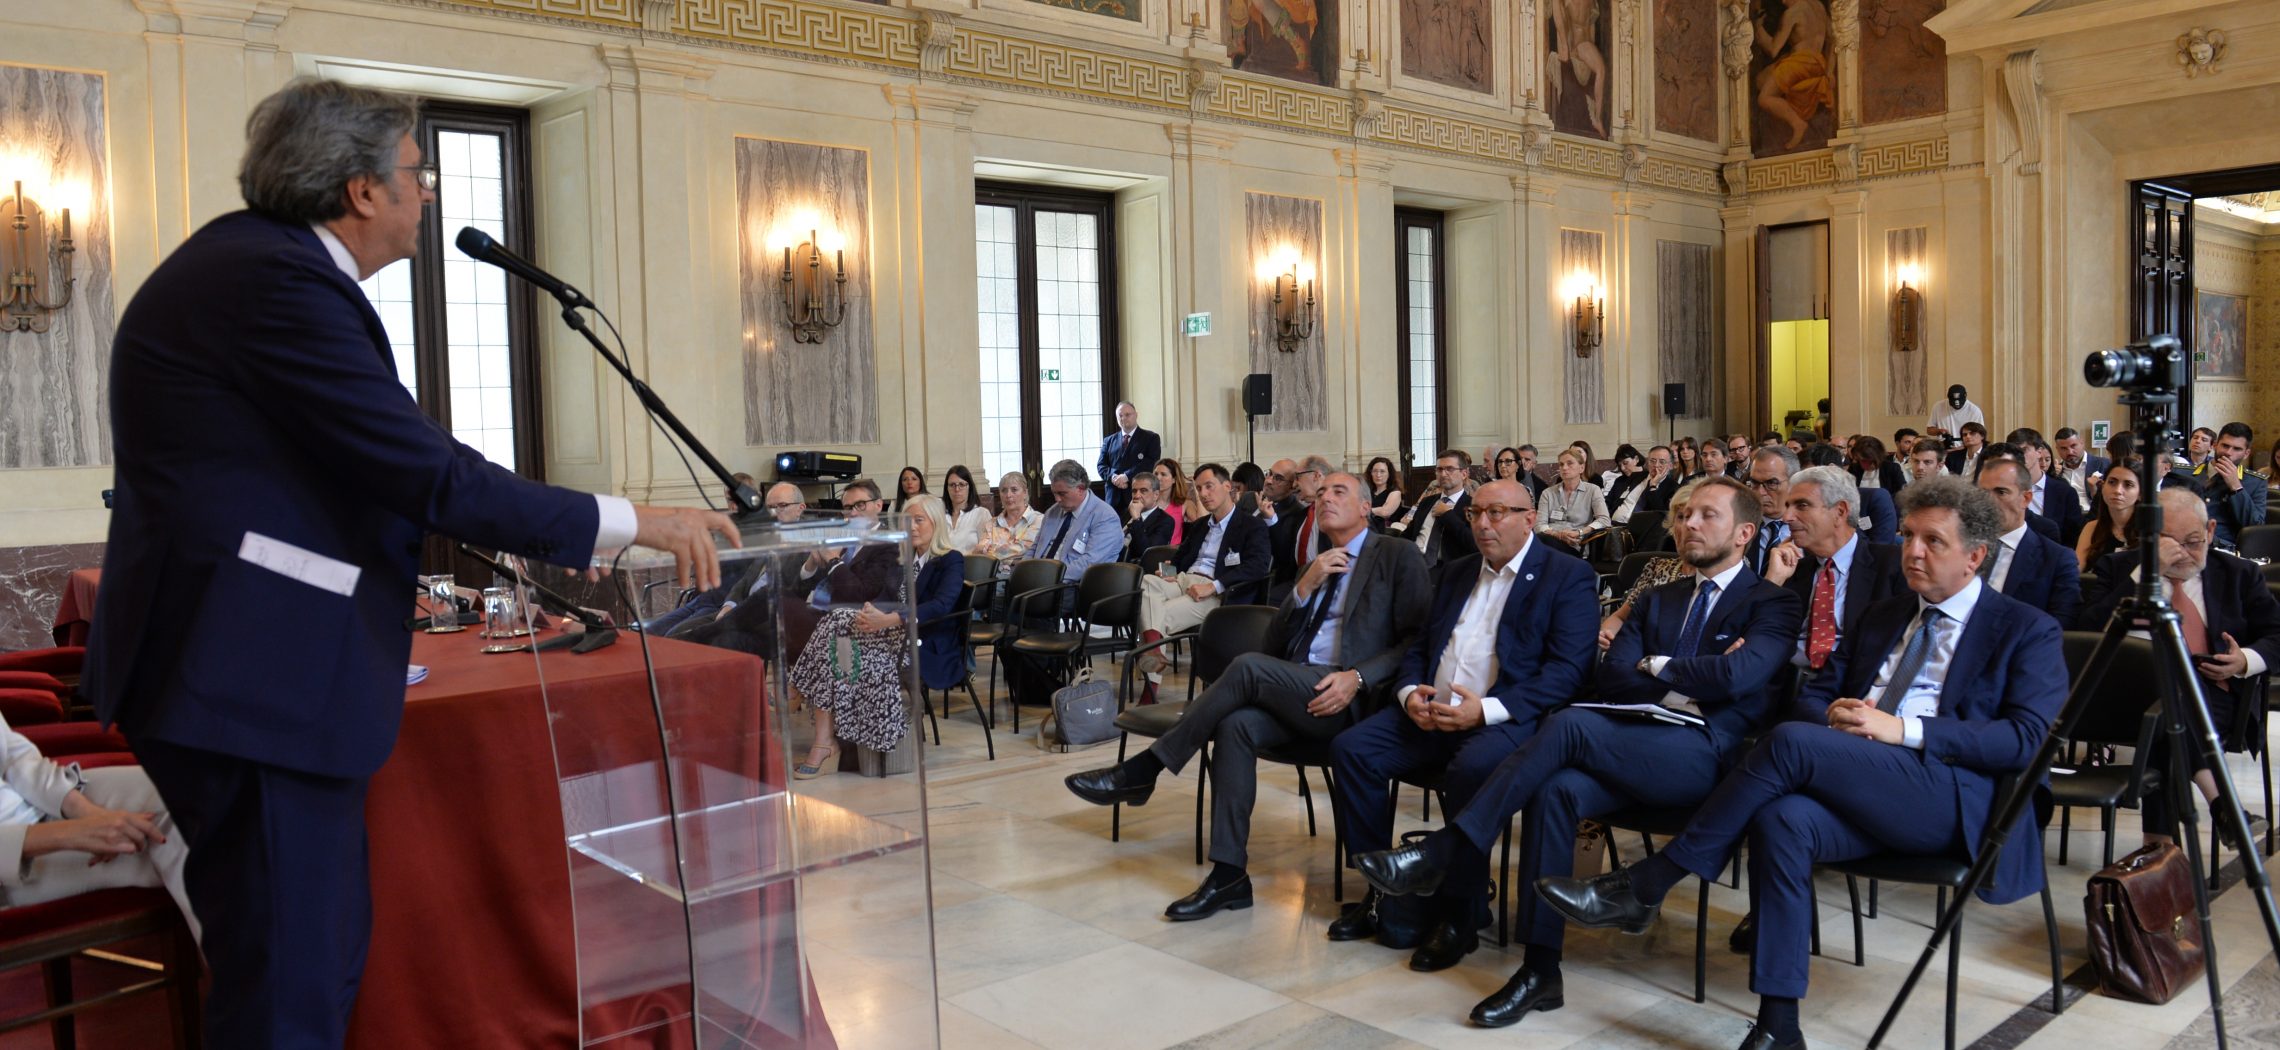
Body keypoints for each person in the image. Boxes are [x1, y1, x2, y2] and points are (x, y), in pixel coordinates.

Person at [88, 78, 738, 1048]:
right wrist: (633, 520)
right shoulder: (272, 282)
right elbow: (426, 474)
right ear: (361, 189)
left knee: (311, 963)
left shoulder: (254, 266)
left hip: (247, 675)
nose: (426, 193)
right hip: (250, 684)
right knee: (289, 989)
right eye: (415, 173)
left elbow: (373, 468)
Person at [1538, 476, 2067, 1050]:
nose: (1913, 552)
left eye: (1933, 541)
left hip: (1950, 797)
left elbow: (2026, 739)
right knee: (1782, 820)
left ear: (1976, 556)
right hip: (1857, 778)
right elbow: (1814, 696)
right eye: (1909, 536)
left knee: (1788, 742)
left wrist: (1903, 730)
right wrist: (1837, 717)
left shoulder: (2026, 628)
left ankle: (1651, 881)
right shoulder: (1885, 615)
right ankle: (1779, 1025)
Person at [1348, 475, 1802, 1011]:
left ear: (1745, 533)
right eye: (1684, 516)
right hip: (1627, 737)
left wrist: (1655, 664)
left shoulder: (1773, 603)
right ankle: (1541, 970)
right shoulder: (1658, 599)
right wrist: (1690, 675)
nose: (1688, 525)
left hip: (1703, 751)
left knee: (1567, 724)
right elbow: (1612, 678)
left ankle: (1445, 850)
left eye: (1707, 516)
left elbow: (1739, 678)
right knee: (1556, 789)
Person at [1063, 472, 1430, 917]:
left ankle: (1146, 769)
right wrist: (1303, 587)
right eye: (1321, 493)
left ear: (1366, 507)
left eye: (1339, 491)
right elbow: (1275, 641)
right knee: (1235, 726)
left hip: (1347, 697)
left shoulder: (1395, 554)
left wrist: (1357, 677)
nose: (1326, 498)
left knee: (1247, 665)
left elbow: (1417, 640)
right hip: (1298, 686)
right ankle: (1229, 876)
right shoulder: (1314, 565)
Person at [1325, 480, 1600, 959]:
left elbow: (1567, 673)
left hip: (1507, 719)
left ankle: (1462, 911)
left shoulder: (1566, 574)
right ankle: (1384, 892)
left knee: (1471, 768)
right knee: (1352, 750)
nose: (1483, 523)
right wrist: (1410, 693)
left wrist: (1485, 710)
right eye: (1475, 513)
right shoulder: (1456, 571)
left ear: (1529, 518)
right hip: (1432, 711)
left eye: (1497, 512)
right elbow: (1421, 645)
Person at [2079, 488, 2280, 850]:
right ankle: (2222, 804)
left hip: (2216, 697)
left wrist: (2245, 660)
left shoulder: (2239, 574)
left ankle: (2158, 851)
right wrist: (2147, 574)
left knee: (2165, 719)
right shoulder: (2119, 569)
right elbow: (2086, 633)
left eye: (2194, 541)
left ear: (2211, 530)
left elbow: (2277, 634)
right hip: (2128, 702)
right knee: (2165, 696)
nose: (2185, 554)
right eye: (2171, 544)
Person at [785, 493, 964, 778]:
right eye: (907, 521)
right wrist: (871, 612)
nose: (912, 527)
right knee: (838, 646)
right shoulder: (902, 560)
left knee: (838, 627)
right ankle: (824, 742)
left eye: (919, 520)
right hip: (887, 636)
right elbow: (884, 597)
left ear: (936, 523)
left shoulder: (950, 560)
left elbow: (942, 605)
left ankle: (798, 693)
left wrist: (893, 618)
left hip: (922, 642)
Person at [0, 714, 199, 942]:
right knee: (187, 839)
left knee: (195, 797)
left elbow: (14, 754)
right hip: (10, 862)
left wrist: (85, 811)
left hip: (32, 804)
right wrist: (69, 833)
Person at [1129, 464, 1272, 704]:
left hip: (1216, 592)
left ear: (1227, 487)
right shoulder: (1199, 525)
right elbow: (1178, 560)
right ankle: (1154, 651)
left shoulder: (1251, 525)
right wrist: (1167, 571)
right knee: (1148, 581)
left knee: (1154, 614)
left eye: (1209, 486)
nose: (1204, 494)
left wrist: (1215, 586)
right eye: (1198, 488)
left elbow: (1258, 566)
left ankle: (1150, 688)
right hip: (1183, 580)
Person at [645, 481, 808, 636]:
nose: (775, 512)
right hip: (717, 601)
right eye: (770, 507)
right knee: (653, 633)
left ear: (800, 508)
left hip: (756, 616)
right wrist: (729, 605)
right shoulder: (764, 536)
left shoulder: (805, 546)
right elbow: (745, 581)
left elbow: (791, 591)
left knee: (679, 636)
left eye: (782, 506)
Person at [1973, 457, 2081, 625]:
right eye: (1983, 494)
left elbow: (2060, 625)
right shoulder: (1961, 548)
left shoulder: (2056, 559)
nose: (1989, 502)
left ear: (2026, 498)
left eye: (2001, 492)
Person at [1267, 454, 1334, 602]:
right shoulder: (1302, 515)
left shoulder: (1335, 514)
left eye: (1298, 477)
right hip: (1295, 581)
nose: (1294, 485)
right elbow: (1283, 555)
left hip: (1324, 584)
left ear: (1316, 476)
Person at [2005, 428, 2086, 545]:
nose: (2018, 456)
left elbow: (2073, 539)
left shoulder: (2064, 492)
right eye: (2013, 452)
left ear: (2039, 452)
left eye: (2024, 450)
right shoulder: (2002, 490)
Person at [1402, 450, 1480, 571]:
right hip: (1414, 563)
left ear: (1464, 474)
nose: (1443, 474)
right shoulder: (1427, 502)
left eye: (1450, 469)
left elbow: (1474, 543)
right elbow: (1408, 534)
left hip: (1447, 569)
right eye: (1439, 469)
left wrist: (1447, 515)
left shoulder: (1473, 506)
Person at [2200, 422, 2268, 551]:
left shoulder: (2255, 482)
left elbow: (2255, 528)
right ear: (2215, 445)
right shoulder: (2186, 473)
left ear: (2246, 453)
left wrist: (2236, 486)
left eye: (2237, 449)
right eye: (2225, 446)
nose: (2228, 452)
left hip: (2222, 549)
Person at [1535, 448, 1610, 556]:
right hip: (1549, 539)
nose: (1564, 468)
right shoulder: (1548, 493)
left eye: (1569, 463)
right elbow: (1539, 525)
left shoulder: (1593, 490)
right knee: (1539, 540)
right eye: (1561, 464)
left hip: (1575, 544)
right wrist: (1558, 535)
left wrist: (1579, 532)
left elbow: (1604, 520)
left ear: (1581, 468)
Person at [1097, 401, 1162, 518]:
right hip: (1113, 499)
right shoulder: (1109, 441)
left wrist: (1126, 476)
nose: (1123, 418)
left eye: (1127, 414)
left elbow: (1150, 463)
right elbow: (1101, 466)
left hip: (1138, 496)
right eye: (1120, 415)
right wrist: (1114, 477)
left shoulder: (1151, 438)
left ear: (1136, 415)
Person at [972, 471, 1043, 576]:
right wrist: (1012, 561)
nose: (1008, 495)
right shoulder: (992, 523)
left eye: (1014, 490)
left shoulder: (1038, 520)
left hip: (1025, 577)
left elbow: (1023, 548)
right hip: (992, 577)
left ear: (1025, 493)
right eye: (1004, 490)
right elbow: (979, 551)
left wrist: (992, 553)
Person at [2075, 458, 2142, 571]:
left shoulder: (2150, 531)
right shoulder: (2092, 528)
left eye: (2128, 484)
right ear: (2103, 486)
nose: (2118, 490)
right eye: (2112, 482)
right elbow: (2076, 570)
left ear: (2140, 494)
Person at [1742, 447, 1799, 575]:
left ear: (1793, 482)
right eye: (1754, 483)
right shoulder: (1739, 526)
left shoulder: (1811, 529)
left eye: (1771, 483)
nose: (1760, 492)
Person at [1121, 470, 1176, 563]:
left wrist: (1136, 519)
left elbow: (1146, 553)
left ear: (1156, 495)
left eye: (1143, 491)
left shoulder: (1165, 520)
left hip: (1132, 567)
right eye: (1134, 491)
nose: (1137, 496)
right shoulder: (1127, 513)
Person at [2052, 427, 2107, 508]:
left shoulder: (2102, 464)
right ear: (2057, 449)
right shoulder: (2056, 472)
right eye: (2064, 448)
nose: (2070, 452)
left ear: (2082, 443)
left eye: (2073, 446)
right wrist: (2053, 476)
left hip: (2093, 512)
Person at [940, 465, 990, 552]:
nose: (957, 489)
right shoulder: (939, 514)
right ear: (946, 488)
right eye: (952, 485)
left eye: (961, 484)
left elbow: (987, 550)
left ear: (969, 487)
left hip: (970, 560)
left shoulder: (981, 514)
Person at [1153, 458, 1199, 544]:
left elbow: (1202, 524)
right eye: (1156, 474)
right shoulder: (1147, 501)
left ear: (1174, 479)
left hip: (1170, 551)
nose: (1158, 478)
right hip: (1146, 550)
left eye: (1163, 474)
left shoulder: (1184, 503)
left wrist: (1197, 489)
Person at [1364, 456, 1404, 530]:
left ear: (1389, 474)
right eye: (1375, 471)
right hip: (1367, 526)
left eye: (1382, 471)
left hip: (1386, 531)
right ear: (1371, 473)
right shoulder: (1367, 490)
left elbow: (1385, 512)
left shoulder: (1395, 492)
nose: (1378, 475)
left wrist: (1365, 510)